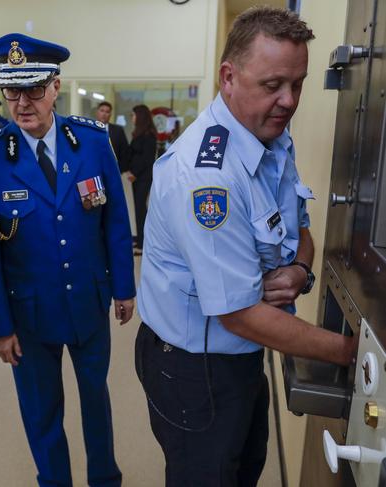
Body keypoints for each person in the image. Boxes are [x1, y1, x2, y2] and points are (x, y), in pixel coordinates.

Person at [135, 7, 357, 486]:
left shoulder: (272, 141)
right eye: (273, 84)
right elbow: (237, 313)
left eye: (297, 84)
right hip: (196, 367)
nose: (288, 100)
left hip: (244, 353)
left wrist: (300, 271)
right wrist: (349, 351)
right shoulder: (207, 177)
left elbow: (302, 232)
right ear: (228, 77)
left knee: (243, 467)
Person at [0, 33, 136, 487]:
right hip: (29, 315)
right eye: (12, 92)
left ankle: (105, 479)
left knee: (96, 402)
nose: (22, 103)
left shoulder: (93, 142)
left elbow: (115, 222)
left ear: (56, 87)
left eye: (34, 90)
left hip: (88, 301)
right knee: (42, 413)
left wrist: (124, 287)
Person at [126, 104, 157, 255]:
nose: (132, 118)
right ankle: (139, 240)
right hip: (137, 177)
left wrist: (135, 173)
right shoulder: (138, 134)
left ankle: (143, 243)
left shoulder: (149, 135)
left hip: (143, 178)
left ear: (140, 116)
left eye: (133, 115)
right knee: (138, 209)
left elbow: (147, 159)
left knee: (140, 209)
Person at [96, 101, 129, 173]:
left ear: (110, 114)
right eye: (102, 111)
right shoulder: (89, 129)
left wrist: (120, 170)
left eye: (107, 112)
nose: (104, 114)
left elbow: (124, 151)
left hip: (113, 170)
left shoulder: (118, 130)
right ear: (97, 112)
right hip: (93, 170)